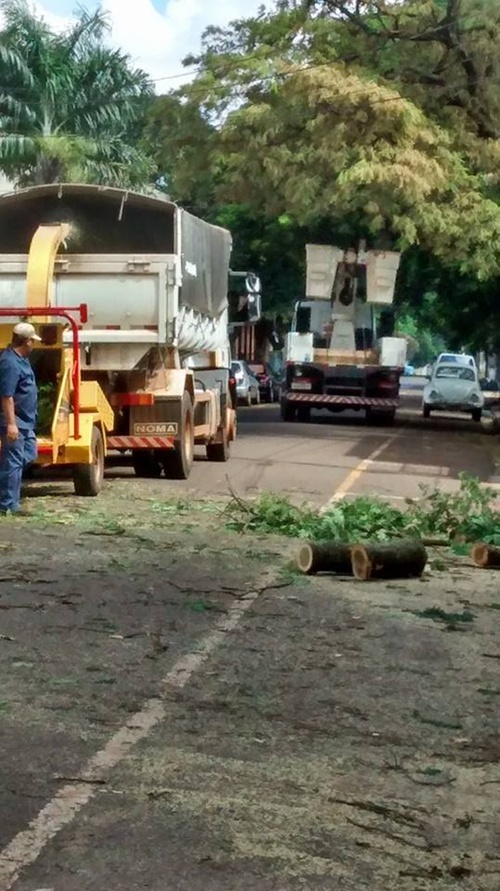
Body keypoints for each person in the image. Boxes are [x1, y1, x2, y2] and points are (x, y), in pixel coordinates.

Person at [0, 322, 41, 515]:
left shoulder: (21, 360)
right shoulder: (9, 363)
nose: (34, 344)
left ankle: (6, 484)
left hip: (26, 422)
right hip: (15, 421)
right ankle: (8, 505)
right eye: (33, 341)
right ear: (27, 341)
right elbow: (6, 396)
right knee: (13, 461)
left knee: (30, 453)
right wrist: (11, 424)